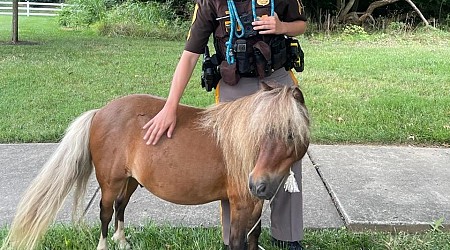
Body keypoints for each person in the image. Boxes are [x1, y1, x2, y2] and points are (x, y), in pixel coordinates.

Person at [142, 0, 307, 249]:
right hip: (235, 85)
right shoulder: (211, 2)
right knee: (234, 164)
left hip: (276, 82)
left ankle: (287, 235)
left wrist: (282, 26)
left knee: (285, 153)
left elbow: (301, 25)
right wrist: (170, 106)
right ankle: (235, 238)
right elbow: (190, 55)